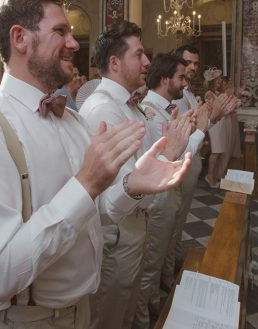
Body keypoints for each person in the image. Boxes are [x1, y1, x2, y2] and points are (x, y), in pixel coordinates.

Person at [0, 0, 192, 329]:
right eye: (61, 32)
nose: (75, 44)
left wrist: (131, 185)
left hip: (80, 310)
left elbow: (97, 210)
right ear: (20, 38)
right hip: (22, 320)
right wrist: (86, 183)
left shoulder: (71, 120)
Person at [79, 22, 192, 329]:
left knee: (126, 309)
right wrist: (168, 155)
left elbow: (137, 166)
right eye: (139, 55)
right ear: (114, 63)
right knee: (110, 315)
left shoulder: (128, 106)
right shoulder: (105, 109)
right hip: (117, 230)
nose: (146, 63)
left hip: (134, 223)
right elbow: (119, 190)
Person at [134, 54, 219, 329]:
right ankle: (146, 318)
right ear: (164, 79)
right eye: (181, 77)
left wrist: (193, 127)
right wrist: (199, 131)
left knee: (160, 255)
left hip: (167, 194)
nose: (185, 82)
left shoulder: (165, 109)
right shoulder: (148, 111)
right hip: (156, 200)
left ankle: (154, 305)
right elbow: (171, 159)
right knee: (149, 264)